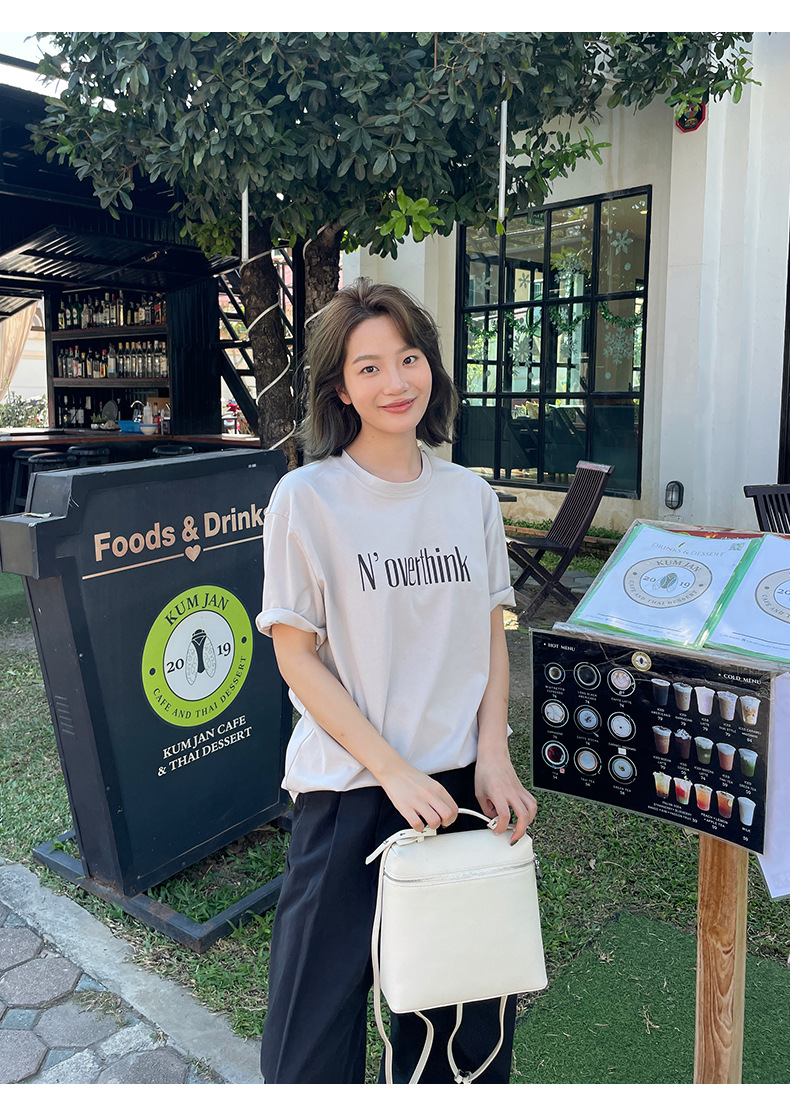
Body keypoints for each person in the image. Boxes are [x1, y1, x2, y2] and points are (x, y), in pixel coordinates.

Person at [256, 277, 538, 1084]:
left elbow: (491, 631)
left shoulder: (469, 497)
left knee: (463, 1034)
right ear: (340, 389)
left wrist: (494, 756)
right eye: (369, 367)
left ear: (432, 369)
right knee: (308, 1040)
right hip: (350, 789)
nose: (396, 382)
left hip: (458, 792)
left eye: (409, 358)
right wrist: (391, 769)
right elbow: (295, 655)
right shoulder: (306, 498)